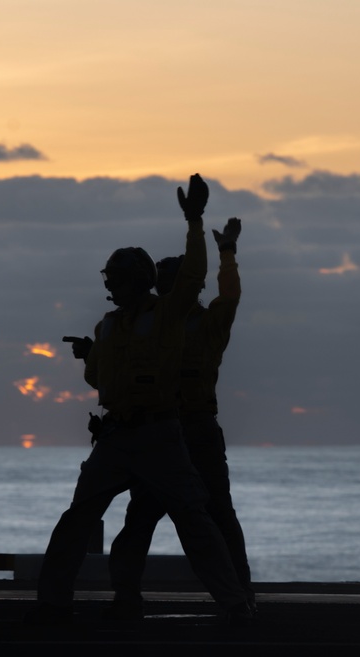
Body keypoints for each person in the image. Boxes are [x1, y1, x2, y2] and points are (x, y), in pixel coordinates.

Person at [29, 174, 252, 626]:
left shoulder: (170, 317)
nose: (112, 287)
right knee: (82, 518)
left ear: (137, 281)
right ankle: (57, 601)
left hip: (162, 435)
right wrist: (91, 357)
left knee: (198, 519)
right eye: (110, 280)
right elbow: (101, 380)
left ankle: (235, 602)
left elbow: (193, 274)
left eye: (117, 279)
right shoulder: (107, 327)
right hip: (118, 435)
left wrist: (195, 222)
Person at [106, 217, 254, 619]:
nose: (170, 289)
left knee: (211, 516)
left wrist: (227, 254)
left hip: (193, 430)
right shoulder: (149, 326)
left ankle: (240, 596)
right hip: (165, 431)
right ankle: (127, 597)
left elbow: (231, 296)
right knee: (145, 519)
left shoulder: (206, 325)